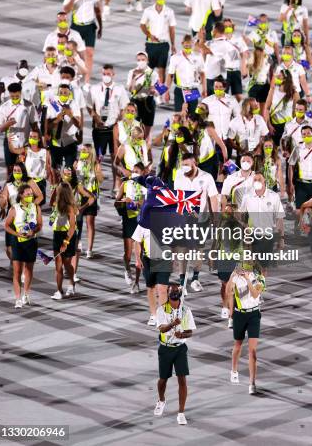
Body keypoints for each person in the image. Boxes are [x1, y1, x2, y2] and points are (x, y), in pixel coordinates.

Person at [173, 153, 219, 291]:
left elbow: (213, 198)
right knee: (183, 249)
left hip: (201, 219)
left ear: (195, 164)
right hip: (184, 218)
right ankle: (182, 281)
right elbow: (177, 198)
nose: (185, 168)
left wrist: (215, 217)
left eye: (188, 165)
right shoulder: (179, 176)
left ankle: (195, 278)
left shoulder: (206, 177)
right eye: (183, 165)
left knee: (199, 250)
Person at [154, 281, 196, 425]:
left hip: (180, 349)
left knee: (182, 380)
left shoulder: (185, 310)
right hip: (165, 348)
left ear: (179, 293)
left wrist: (182, 335)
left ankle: (181, 412)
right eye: (171, 290)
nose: (174, 292)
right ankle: (161, 400)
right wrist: (172, 324)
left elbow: (190, 332)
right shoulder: (161, 310)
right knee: (163, 379)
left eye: (176, 290)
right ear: (168, 293)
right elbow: (162, 329)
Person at [226, 262, 266, 394]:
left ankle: (252, 383)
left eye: (249, 262)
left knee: (252, 351)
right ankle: (234, 370)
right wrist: (232, 275)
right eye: (245, 262)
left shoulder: (260, 278)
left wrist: (248, 279)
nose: (247, 265)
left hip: (254, 315)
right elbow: (227, 292)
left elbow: (255, 294)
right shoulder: (236, 277)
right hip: (239, 315)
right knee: (237, 345)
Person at [87, 64, 128, 192]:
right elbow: (89, 106)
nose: (106, 76)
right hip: (99, 129)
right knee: (98, 157)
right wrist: (95, 118)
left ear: (113, 75)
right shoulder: (94, 89)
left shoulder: (119, 89)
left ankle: (116, 185)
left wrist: (119, 122)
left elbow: (124, 108)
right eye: (104, 74)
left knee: (115, 157)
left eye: (108, 74)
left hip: (113, 128)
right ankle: (94, 183)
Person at [4, 183, 43, 308]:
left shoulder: (35, 207)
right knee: (17, 271)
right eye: (28, 194)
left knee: (29, 269)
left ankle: (26, 294)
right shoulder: (14, 208)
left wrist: (34, 231)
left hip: (31, 242)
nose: (30, 196)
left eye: (31, 194)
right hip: (18, 243)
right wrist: (16, 233)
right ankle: (17, 299)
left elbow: (40, 224)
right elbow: (6, 225)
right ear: (21, 195)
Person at [63, 0, 103, 85]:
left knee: (89, 54)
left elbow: (97, 10)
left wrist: (101, 26)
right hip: (76, 27)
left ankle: (87, 81)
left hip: (90, 26)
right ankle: (75, 77)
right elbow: (66, 10)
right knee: (75, 54)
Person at [115, 162, 146, 292]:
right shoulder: (125, 184)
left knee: (139, 255)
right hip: (128, 220)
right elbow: (116, 202)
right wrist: (122, 202)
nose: (134, 173)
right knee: (128, 253)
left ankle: (137, 282)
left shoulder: (146, 186)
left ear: (143, 173)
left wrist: (135, 203)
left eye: (137, 171)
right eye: (133, 171)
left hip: (141, 222)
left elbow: (147, 203)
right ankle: (127, 269)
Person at [0, 82, 39, 176]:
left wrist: (39, 142)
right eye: (12, 96)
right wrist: (7, 124)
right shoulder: (4, 107)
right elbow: (0, 129)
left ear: (20, 92)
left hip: (25, 142)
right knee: (10, 168)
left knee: (24, 169)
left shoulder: (29, 105)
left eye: (17, 96)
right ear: (9, 94)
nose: (15, 98)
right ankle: (9, 189)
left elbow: (35, 125)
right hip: (10, 141)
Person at [140, 0, 177, 84]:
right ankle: (148, 92)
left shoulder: (169, 11)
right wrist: (149, 35)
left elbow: (172, 29)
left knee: (162, 70)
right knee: (149, 70)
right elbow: (142, 25)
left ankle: (160, 94)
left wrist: (173, 44)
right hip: (151, 44)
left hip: (163, 44)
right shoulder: (148, 11)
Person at [74, 144, 103, 259]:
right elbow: (74, 179)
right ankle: (78, 242)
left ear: (90, 152)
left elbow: (100, 180)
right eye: (81, 150)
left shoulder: (95, 164)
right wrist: (74, 169)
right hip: (80, 196)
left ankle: (89, 249)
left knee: (90, 222)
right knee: (78, 222)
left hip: (92, 195)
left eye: (84, 150)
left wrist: (98, 172)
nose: (82, 152)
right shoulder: (78, 163)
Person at [45, 84, 81, 175]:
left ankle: (70, 188)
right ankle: (57, 188)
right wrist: (57, 119)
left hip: (70, 142)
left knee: (70, 171)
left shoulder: (74, 104)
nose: (63, 95)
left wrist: (71, 115)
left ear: (69, 94)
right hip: (55, 142)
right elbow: (47, 127)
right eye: (61, 93)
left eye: (65, 93)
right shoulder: (52, 104)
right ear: (58, 93)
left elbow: (78, 124)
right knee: (55, 171)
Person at [165, 34, 206, 114]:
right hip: (180, 90)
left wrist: (204, 90)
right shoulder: (175, 57)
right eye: (186, 43)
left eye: (189, 43)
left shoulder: (198, 56)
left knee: (193, 117)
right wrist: (167, 92)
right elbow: (170, 75)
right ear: (182, 43)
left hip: (193, 89)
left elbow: (202, 74)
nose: (188, 45)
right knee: (178, 116)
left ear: (193, 43)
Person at [50, 181, 78, 300]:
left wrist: (66, 242)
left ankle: (71, 283)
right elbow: (50, 201)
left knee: (67, 264)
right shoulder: (56, 204)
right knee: (58, 265)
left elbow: (72, 227)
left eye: (58, 189)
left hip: (68, 236)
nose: (57, 190)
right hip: (57, 234)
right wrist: (53, 191)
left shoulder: (70, 207)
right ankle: (59, 290)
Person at [127, 51, 159, 138]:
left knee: (147, 129)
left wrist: (153, 91)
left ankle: (145, 148)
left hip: (148, 102)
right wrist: (134, 77)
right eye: (139, 60)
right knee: (135, 128)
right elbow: (130, 89)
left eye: (143, 59)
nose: (141, 62)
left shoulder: (153, 73)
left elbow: (156, 90)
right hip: (136, 102)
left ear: (147, 60)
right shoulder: (132, 72)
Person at [264, 70, 299, 146]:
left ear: (285, 79)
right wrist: (269, 124)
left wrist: (295, 126)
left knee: (287, 149)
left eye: (279, 76)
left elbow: (297, 111)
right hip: (275, 126)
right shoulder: (273, 90)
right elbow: (267, 108)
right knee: (276, 149)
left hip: (288, 125)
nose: (276, 78)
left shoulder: (294, 93)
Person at [202, 76, 240, 144]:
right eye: (216, 87)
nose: (218, 89)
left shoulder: (232, 100)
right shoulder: (206, 101)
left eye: (220, 87)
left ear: (225, 88)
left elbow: (238, 118)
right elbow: (201, 119)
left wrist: (233, 134)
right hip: (212, 139)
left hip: (227, 138)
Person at [223, 18, 248, 102]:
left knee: (239, 96)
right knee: (223, 96)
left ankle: (240, 114)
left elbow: (245, 53)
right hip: (224, 72)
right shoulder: (219, 40)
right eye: (225, 26)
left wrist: (244, 69)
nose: (228, 28)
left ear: (233, 27)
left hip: (236, 71)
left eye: (229, 26)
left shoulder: (238, 39)